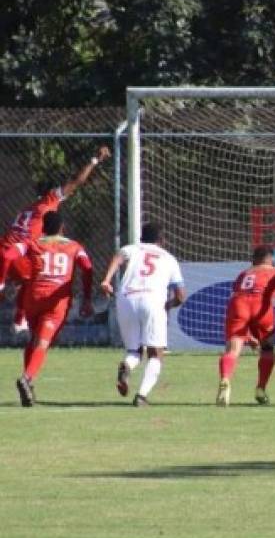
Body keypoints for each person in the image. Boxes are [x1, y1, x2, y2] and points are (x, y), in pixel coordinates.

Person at [0, 146, 109, 333]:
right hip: (17, 255)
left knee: (28, 280)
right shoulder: (49, 201)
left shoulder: (27, 208)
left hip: (6, 249)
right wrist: (95, 161)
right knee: (39, 278)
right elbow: (77, 181)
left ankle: (19, 317)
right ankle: (20, 320)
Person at [2, 212, 93, 406]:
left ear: (43, 227)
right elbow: (87, 267)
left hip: (32, 298)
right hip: (55, 301)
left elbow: (6, 254)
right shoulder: (74, 246)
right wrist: (86, 297)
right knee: (42, 342)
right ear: (62, 228)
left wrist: (1, 283)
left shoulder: (32, 242)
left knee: (34, 339)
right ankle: (26, 378)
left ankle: (29, 384)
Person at [100, 223, 186, 407]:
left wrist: (107, 280)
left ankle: (127, 365)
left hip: (126, 299)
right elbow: (181, 296)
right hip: (153, 300)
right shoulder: (169, 259)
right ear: (161, 241)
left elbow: (118, 257)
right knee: (156, 353)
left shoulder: (131, 248)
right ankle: (142, 396)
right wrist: (168, 305)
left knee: (134, 350)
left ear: (141, 239)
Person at [216, 246, 275, 406]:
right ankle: (260, 388)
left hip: (239, 304)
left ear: (254, 259)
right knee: (267, 350)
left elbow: (240, 298)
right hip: (261, 306)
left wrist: (248, 336)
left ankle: (225, 379)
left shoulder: (243, 274)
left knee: (233, 350)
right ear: (271, 259)